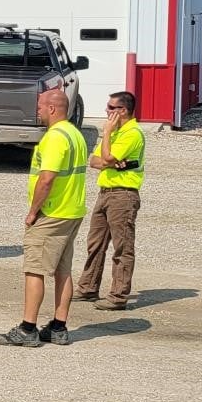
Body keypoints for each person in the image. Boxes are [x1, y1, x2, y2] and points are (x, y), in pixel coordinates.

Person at [0, 89, 88, 348]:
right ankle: (59, 326)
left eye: (40, 105)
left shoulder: (55, 138)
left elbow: (47, 178)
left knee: (35, 269)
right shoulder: (75, 134)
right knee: (63, 270)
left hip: (52, 212)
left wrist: (33, 211)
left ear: (53, 108)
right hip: (72, 210)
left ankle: (28, 328)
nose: (37, 109)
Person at [79, 90, 144, 310]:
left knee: (122, 246)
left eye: (110, 107)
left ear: (122, 110)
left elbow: (106, 157)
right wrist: (108, 158)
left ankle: (118, 295)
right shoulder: (117, 133)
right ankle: (88, 286)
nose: (106, 111)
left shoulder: (131, 133)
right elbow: (94, 161)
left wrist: (106, 133)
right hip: (105, 191)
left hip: (123, 194)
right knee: (95, 243)